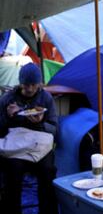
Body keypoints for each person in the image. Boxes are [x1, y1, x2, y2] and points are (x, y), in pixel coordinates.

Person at [0, 63, 58, 214]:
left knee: (48, 170)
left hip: (40, 145)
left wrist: (41, 122)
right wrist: (7, 115)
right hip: (16, 146)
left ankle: (48, 211)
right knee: (13, 171)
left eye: (33, 85)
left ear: (39, 84)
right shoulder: (8, 98)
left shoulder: (46, 98)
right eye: (26, 85)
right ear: (20, 83)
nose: (30, 89)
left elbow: (54, 128)